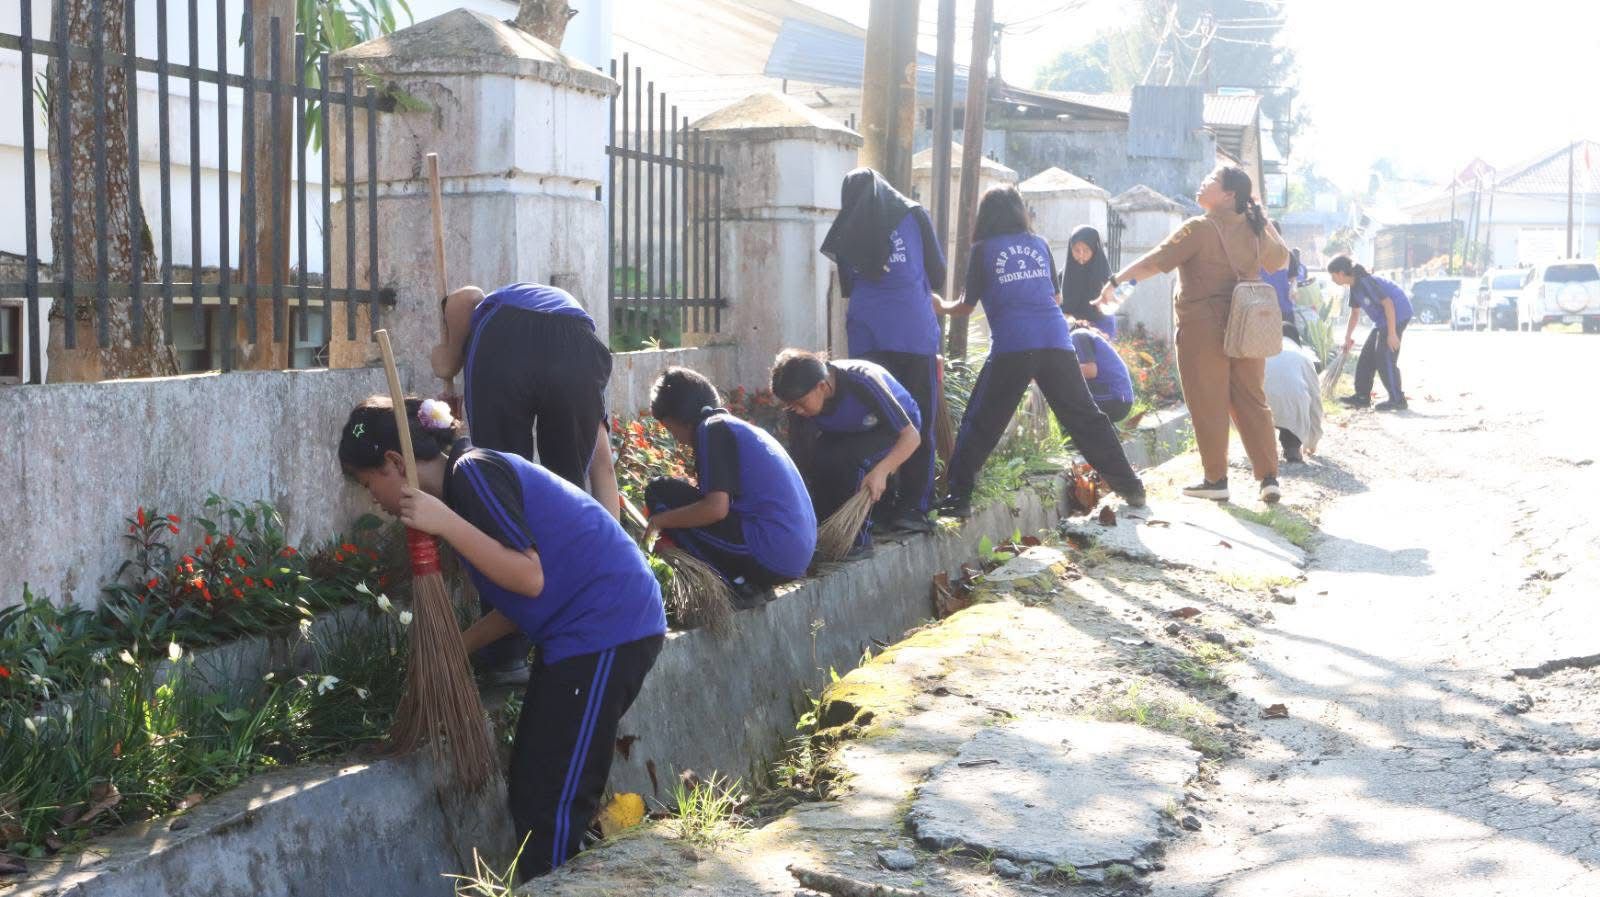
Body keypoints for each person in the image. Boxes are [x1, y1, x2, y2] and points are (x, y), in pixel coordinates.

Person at [337, 396, 664, 882]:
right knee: (532, 777)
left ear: (395, 463)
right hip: (579, 635)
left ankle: (554, 884)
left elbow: (528, 577)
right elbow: (520, 603)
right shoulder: (461, 488)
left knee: (554, 795)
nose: (374, 501)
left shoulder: (472, 474)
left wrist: (443, 522)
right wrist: (453, 651)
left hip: (607, 627)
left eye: (369, 485)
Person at [430, 282, 620, 683]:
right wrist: (616, 552)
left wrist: (445, 353)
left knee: (495, 492)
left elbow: (449, 352)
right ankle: (572, 631)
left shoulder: (474, 303)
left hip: (505, 344)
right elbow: (603, 468)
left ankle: (505, 655)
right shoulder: (554, 303)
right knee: (566, 494)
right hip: (578, 349)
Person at [935, 185, 1146, 517]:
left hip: (1013, 346)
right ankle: (1130, 486)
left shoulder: (983, 249)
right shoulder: (1040, 244)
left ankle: (957, 500)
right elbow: (1056, 300)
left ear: (985, 215)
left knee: (981, 421)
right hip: (1056, 342)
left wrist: (939, 305)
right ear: (1020, 212)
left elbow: (965, 306)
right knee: (1085, 417)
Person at [1102, 165, 1290, 504]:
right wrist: (1260, 214)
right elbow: (1280, 261)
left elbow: (1154, 262)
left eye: (1212, 181)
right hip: (1247, 324)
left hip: (1203, 328)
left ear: (1228, 195)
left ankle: (1216, 480)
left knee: (1209, 402)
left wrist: (1115, 284)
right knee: (1252, 399)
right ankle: (1269, 478)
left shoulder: (1198, 229)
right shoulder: (1254, 228)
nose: (1203, 182)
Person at [820, 168, 943, 526]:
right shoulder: (913, 214)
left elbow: (848, 284)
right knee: (919, 418)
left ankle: (881, 504)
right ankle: (914, 507)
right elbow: (937, 271)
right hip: (913, 334)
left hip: (868, 339)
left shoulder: (848, 225)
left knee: (878, 420)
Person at [644, 367, 817, 594]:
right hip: (795, 554)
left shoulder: (711, 430)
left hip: (771, 552)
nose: (674, 438)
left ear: (678, 417)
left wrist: (659, 521)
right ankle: (745, 581)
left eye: (669, 428)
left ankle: (732, 584)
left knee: (660, 492)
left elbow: (715, 509)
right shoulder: (732, 426)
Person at [771, 350, 926, 554]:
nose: (796, 410)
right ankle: (825, 537)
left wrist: (882, 471)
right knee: (821, 458)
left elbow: (911, 436)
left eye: (800, 403)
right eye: (790, 406)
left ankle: (856, 540)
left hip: (895, 429)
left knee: (852, 460)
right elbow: (803, 459)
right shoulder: (800, 405)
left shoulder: (862, 380)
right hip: (851, 431)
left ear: (821, 386)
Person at [1328, 255, 1412, 411]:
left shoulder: (1366, 282)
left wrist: (1392, 334)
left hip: (1398, 312)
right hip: (1382, 319)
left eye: (1332, 276)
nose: (1332, 280)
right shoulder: (1353, 287)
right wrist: (1347, 337)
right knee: (1367, 355)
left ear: (1341, 273)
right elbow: (1354, 314)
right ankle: (1362, 396)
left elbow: (1389, 304)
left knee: (1384, 355)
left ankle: (1397, 399)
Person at [1264, 326, 1322, 463]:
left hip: (1261, 406)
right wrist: (1312, 441)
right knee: (1295, 403)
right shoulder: (1303, 357)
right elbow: (1315, 401)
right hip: (1292, 406)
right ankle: (1292, 448)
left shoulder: (1262, 351)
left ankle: (1263, 451)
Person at [1060, 225, 1119, 339]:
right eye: (1076, 250)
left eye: (1086, 250)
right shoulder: (1063, 276)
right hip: (1073, 328)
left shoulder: (1105, 276)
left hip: (1102, 326)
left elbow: (1109, 309)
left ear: (1094, 250)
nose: (1081, 255)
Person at [1070, 325, 1136, 423]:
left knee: (1066, 393)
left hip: (1114, 399)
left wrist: (1061, 370)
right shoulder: (1087, 336)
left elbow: (1091, 371)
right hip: (1121, 400)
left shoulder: (1077, 335)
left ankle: (1076, 434)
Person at [1261, 237, 1307, 343]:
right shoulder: (1256, 254)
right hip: (1262, 310)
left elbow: (1293, 279)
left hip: (1284, 308)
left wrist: (1293, 288)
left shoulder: (1286, 255)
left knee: (1288, 343)